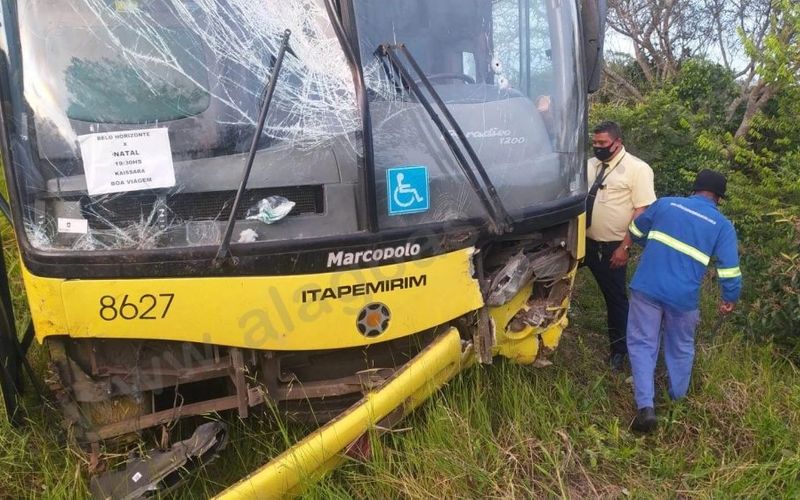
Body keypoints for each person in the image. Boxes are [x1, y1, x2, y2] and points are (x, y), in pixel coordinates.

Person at [625, 169, 742, 433]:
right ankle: (677, 402)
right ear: (719, 198)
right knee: (681, 347)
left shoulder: (666, 204)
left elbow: (635, 229)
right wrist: (729, 297)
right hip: (683, 298)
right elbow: (730, 271)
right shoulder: (722, 226)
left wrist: (651, 246)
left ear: (694, 188)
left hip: (647, 286)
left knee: (643, 343)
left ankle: (646, 407)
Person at [586, 121, 656, 371]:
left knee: (615, 299)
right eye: (595, 143)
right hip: (583, 241)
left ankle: (619, 350)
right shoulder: (590, 165)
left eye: (603, 144)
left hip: (612, 246)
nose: (598, 148)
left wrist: (625, 247)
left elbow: (643, 210)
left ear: (617, 142)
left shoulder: (637, 169)